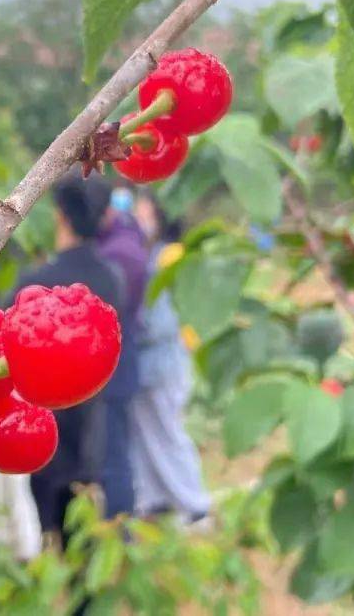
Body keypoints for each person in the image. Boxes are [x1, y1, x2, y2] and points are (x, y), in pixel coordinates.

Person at [9, 168, 125, 541]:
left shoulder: (34, 284)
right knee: (84, 524)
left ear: (59, 214)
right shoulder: (112, 278)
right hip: (93, 426)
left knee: (45, 528)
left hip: (40, 429)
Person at [128, 191, 211, 521]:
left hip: (164, 362)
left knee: (168, 431)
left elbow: (161, 321)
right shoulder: (151, 254)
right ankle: (155, 498)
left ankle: (196, 504)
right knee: (147, 432)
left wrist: (131, 328)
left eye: (144, 209)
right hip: (152, 365)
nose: (139, 215)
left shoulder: (169, 257)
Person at [93, 187, 148, 519]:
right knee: (115, 451)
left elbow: (110, 313)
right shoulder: (125, 245)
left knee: (113, 455)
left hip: (114, 370)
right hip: (119, 366)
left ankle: (119, 525)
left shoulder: (119, 255)